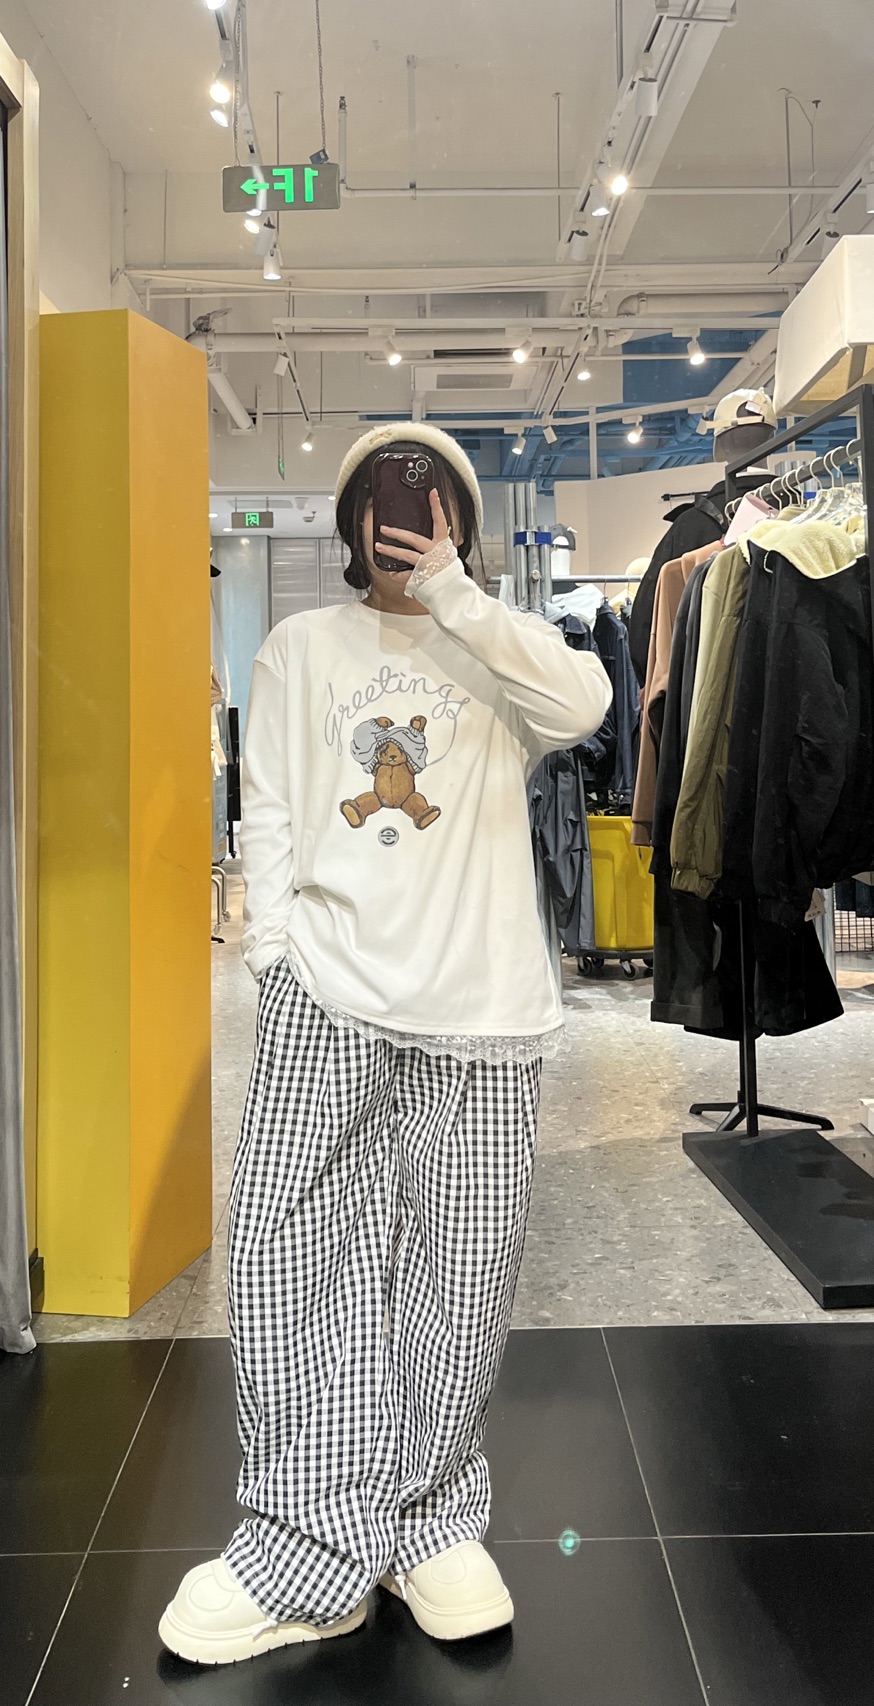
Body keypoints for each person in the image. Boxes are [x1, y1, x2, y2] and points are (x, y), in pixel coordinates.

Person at [159, 423, 612, 1667]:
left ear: (459, 516)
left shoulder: (496, 644)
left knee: (462, 1269)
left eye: (428, 497)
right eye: (382, 495)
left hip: (482, 1009)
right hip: (331, 995)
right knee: (286, 1252)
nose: (403, 515)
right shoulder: (302, 645)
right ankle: (306, 1536)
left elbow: (586, 704)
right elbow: (268, 807)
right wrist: (274, 955)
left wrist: (457, 590)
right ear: (350, 514)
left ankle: (425, 1518)